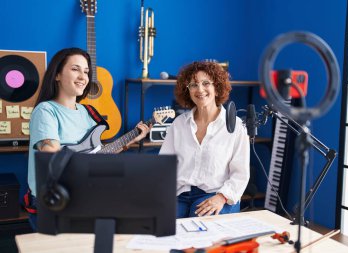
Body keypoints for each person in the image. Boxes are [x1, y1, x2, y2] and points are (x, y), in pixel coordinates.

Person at [25, 47, 151, 230]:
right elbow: (52, 160)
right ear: (57, 75)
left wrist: (129, 141)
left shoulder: (88, 112)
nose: (83, 77)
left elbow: (96, 153)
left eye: (86, 71)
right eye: (75, 69)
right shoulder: (46, 111)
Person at [159, 61, 250, 218]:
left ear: (217, 88)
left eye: (206, 83)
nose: (199, 89)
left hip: (216, 194)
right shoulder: (179, 124)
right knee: (162, 225)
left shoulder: (235, 126)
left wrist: (222, 197)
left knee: (197, 227)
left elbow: (240, 173)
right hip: (180, 194)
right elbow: (164, 166)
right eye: (193, 85)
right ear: (188, 90)